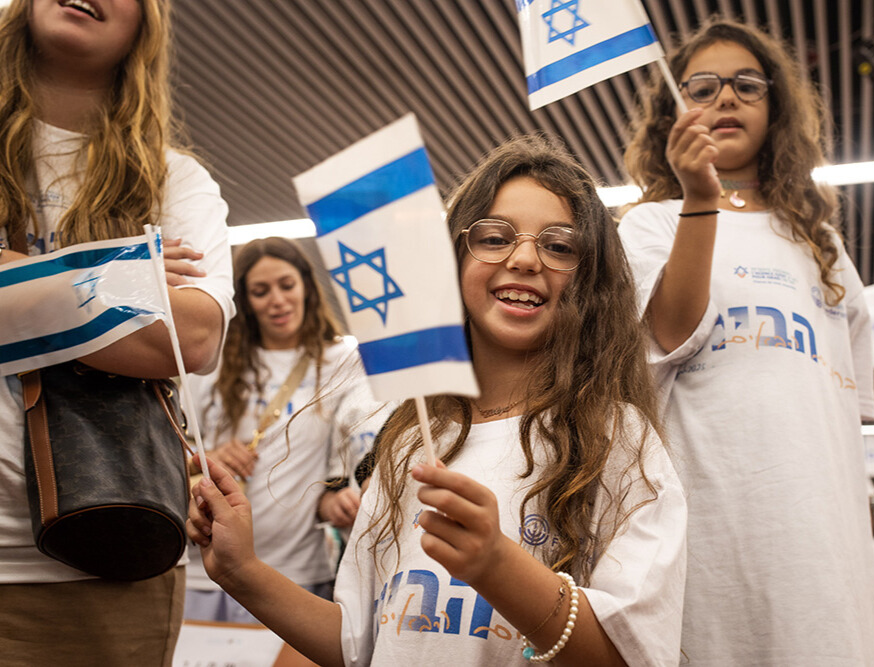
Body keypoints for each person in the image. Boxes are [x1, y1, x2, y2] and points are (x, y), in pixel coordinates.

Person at [187, 134, 687, 666]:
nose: (523, 258)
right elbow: (356, 644)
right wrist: (242, 572)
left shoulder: (617, 441)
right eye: (494, 238)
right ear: (451, 260)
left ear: (590, 281)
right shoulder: (409, 443)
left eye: (559, 246)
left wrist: (498, 566)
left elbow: (627, 656)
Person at [618, 17, 874, 665]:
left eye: (746, 85)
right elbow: (669, 334)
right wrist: (699, 199)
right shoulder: (647, 225)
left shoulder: (821, 245)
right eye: (701, 88)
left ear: (776, 107)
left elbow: (844, 415)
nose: (725, 98)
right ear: (671, 114)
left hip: (824, 553)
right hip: (715, 540)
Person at [0, 0, 234, 664]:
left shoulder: (175, 179)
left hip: (114, 542)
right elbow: (155, 322)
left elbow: (188, 339)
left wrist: (16, 278)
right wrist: (123, 273)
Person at [184, 237, 386, 622]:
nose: (276, 300)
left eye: (286, 285)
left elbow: (346, 457)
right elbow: (168, 450)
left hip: (295, 573)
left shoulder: (343, 362)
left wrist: (338, 498)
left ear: (307, 286)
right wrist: (204, 458)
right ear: (244, 300)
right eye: (260, 291)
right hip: (204, 571)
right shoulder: (210, 361)